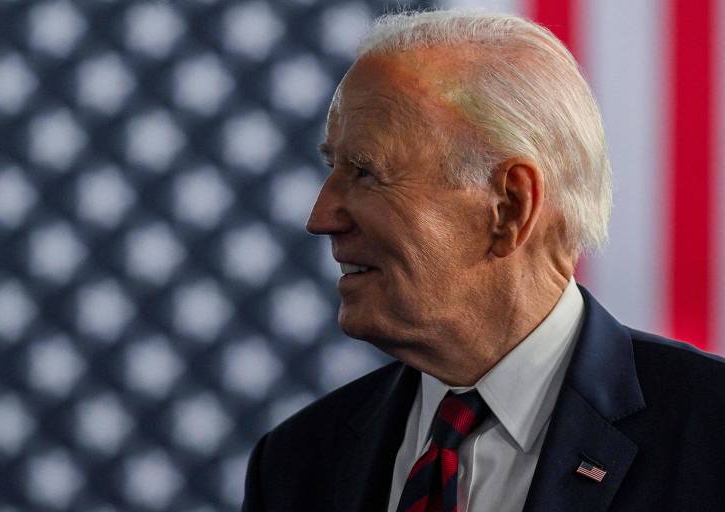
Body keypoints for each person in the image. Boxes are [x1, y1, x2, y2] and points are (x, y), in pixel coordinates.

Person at [242, 10, 725, 512]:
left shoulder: (712, 437)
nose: (321, 217)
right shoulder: (295, 464)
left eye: (365, 172)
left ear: (509, 207)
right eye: (332, 167)